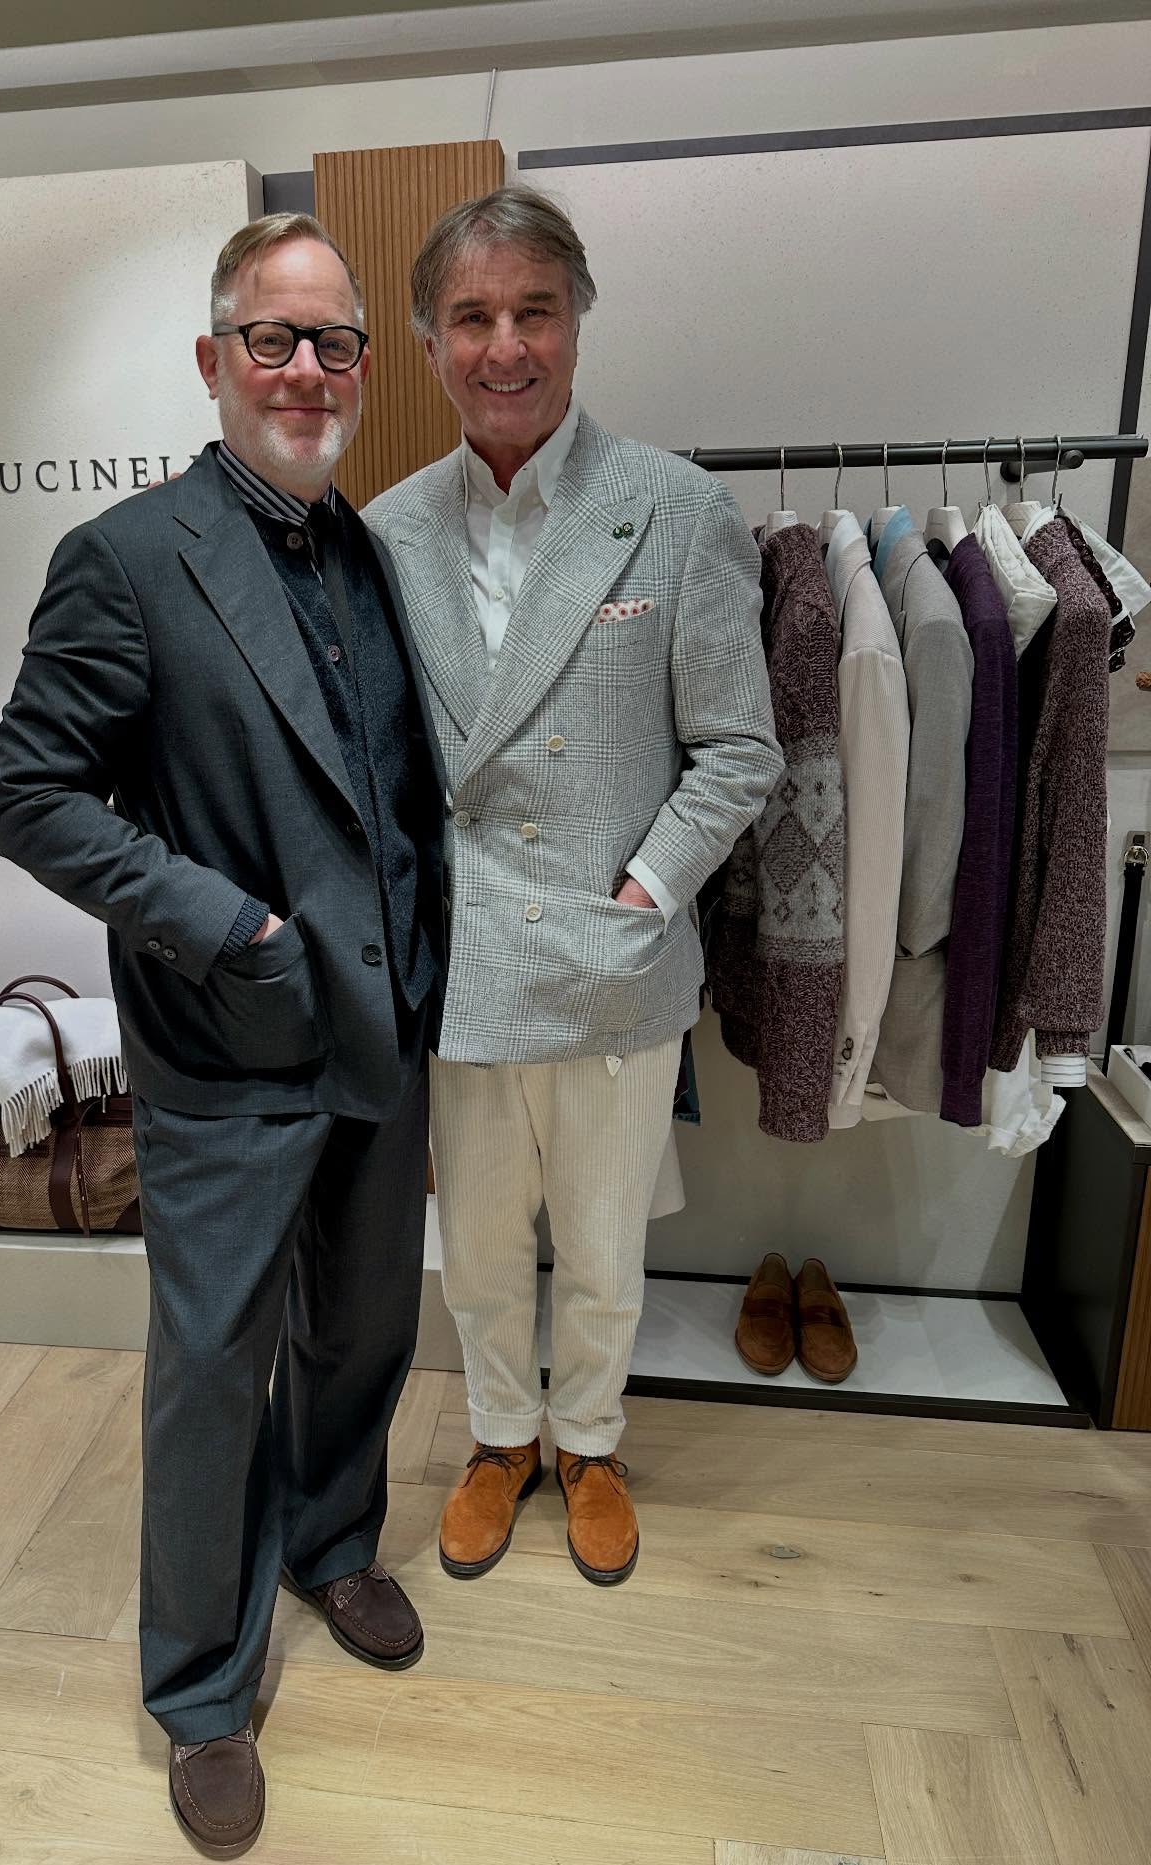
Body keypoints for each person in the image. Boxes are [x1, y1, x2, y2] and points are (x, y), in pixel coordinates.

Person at [0, 212, 447, 1859]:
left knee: (364, 1330)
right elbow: (29, 797)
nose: (307, 369)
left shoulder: (365, 548)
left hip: (381, 1027)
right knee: (210, 1370)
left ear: (363, 369)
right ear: (215, 359)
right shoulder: (126, 558)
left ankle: (330, 1542)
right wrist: (227, 926)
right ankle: (198, 1685)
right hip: (232, 1039)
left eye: (334, 343)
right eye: (274, 338)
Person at [364, 186, 779, 1589]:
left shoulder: (674, 509)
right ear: (429, 342)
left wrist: (646, 893)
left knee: (603, 1242)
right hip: (466, 959)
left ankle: (591, 1441)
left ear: (578, 323)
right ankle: (499, 1437)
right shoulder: (388, 535)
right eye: (472, 317)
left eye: (534, 311)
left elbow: (740, 750)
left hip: (613, 954)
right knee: (480, 1243)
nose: (506, 347)